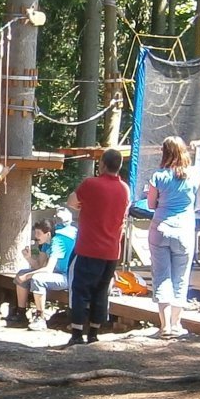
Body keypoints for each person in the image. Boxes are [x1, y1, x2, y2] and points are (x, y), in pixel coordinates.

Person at [140, 136, 200, 339]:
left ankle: (165, 326)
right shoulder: (196, 174)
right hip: (185, 230)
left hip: (160, 228)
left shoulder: (158, 176)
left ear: (165, 152)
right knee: (180, 278)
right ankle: (177, 324)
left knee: (161, 277)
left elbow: (151, 205)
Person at [64, 147, 131, 346]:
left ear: (102, 164)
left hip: (88, 247)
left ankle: (76, 333)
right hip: (111, 251)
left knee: (79, 289)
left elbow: (71, 201)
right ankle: (94, 333)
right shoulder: (125, 188)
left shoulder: (91, 184)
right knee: (101, 291)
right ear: (119, 166)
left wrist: (84, 206)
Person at [11, 209, 75, 327]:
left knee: (37, 279)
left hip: (68, 277)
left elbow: (48, 269)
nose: (36, 237)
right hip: (55, 274)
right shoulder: (46, 243)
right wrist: (28, 258)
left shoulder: (58, 241)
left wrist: (28, 276)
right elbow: (40, 265)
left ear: (48, 233)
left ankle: (40, 318)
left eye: (38, 234)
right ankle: (21, 314)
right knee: (21, 273)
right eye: (35, 233)